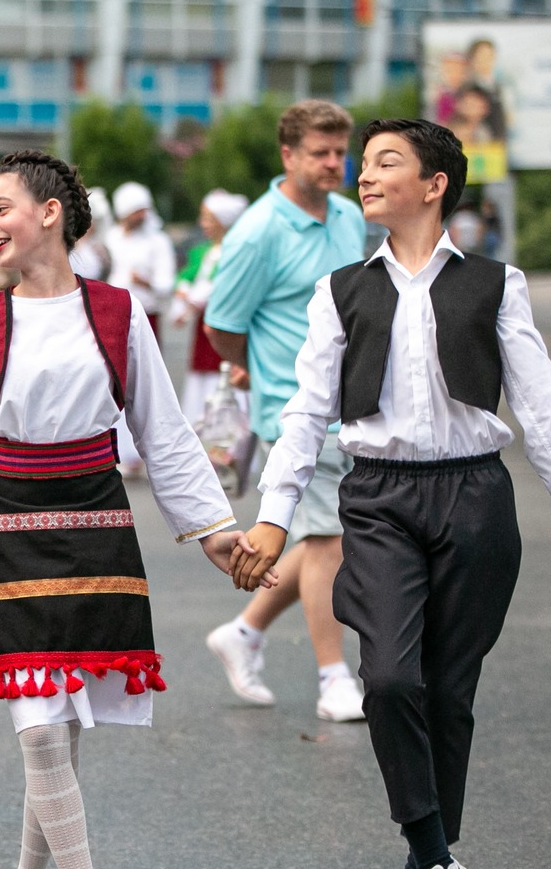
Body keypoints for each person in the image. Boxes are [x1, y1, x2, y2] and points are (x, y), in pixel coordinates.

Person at [233, 118, 551, 869]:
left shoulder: (498, 283)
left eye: (388, 163)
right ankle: (439, 868)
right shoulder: (340, 288)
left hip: (476, 496)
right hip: (378, 499)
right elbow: (307, 412)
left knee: (448, 693)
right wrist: (275, 513)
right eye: (365, 163)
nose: (366, 175)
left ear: (435, 185)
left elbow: (541, 401)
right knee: (388, 679)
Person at [0, 151, 255, 869]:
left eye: (2, 208)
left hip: (100, 523)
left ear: (52, 212)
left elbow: (163, 429)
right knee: (38, 728)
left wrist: (214, 530)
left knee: (61, 730)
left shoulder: (115, 312)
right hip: (14, 528)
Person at [201, 100, 369, 722]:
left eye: (338, 152)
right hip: (294, 411)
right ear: (288, 155)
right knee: (329, 538)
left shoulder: (350, 217)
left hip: (354, 409)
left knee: (328, 535)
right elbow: (221, 324)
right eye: (320, 153)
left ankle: (243, 632)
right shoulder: (257, 230)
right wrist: (259, 368)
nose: (333, 163)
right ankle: (333, 679)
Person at [170, 190, 249, 422]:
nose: (202, 223)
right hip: (204, 326)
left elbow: (221, 286)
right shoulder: (202, 251)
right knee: (201, 374)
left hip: (225, 324)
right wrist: (183, 289)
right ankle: (201, 424)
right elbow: (186, 275)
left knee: (223, 373)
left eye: (207, 218)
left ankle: (226, 430)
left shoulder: (234, 252)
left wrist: (196, 297)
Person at [101, 183, 178, 335]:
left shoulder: (158, 240)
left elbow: (167, 283)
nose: (143, 216)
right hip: (113, 312)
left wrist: (146, 283)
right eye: (137, 211)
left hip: (145, 313)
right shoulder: (111, 238)